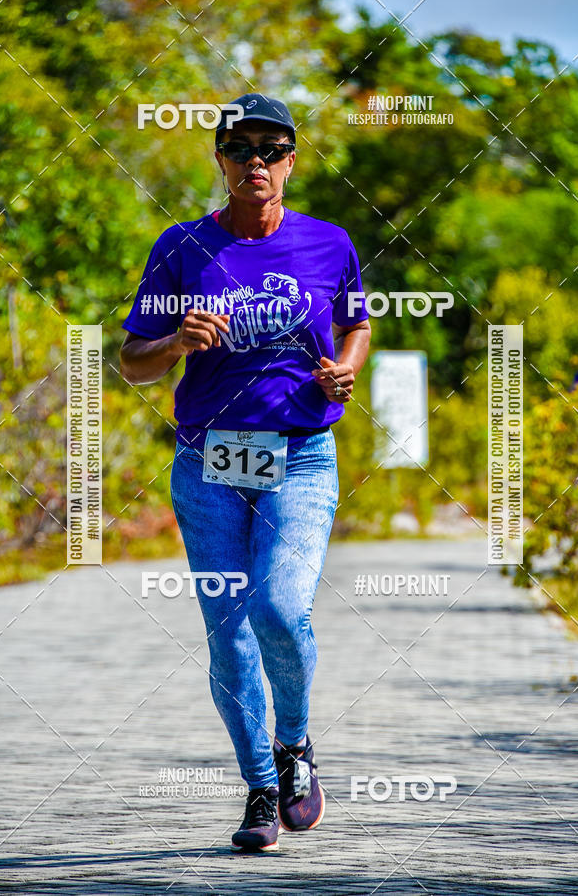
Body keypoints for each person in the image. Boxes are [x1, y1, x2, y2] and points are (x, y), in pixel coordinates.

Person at [119, 92, 371, 852]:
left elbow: (356, 319)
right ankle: (261, 787)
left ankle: (294, 747)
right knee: (229, 638)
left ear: (292, 161)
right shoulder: (182, 246)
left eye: (272, 149)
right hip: (209, 462)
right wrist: (174, 342)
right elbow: (131, 361)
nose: (255, 162)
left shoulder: (328, 243)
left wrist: (345, 370)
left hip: (299, 454)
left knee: (280, 607)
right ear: (221, 160)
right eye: (241, 149)